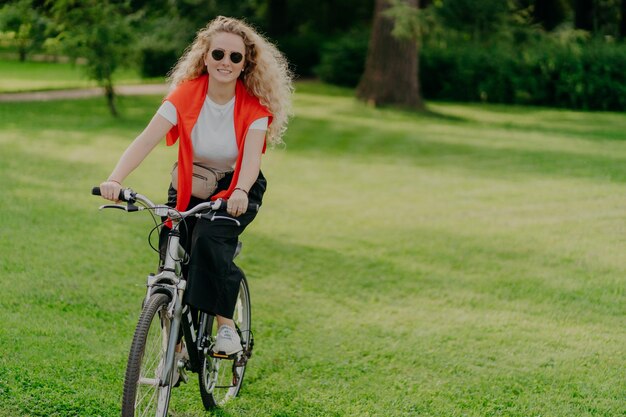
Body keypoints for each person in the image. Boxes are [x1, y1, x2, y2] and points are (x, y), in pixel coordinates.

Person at [99, 16, 293, 355]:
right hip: (192, 184)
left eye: (235, 57)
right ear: (205, 56)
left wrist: (240, 192)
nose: (225, 63)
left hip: (237, 188)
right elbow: (145, 140)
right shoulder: (185, 97)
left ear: (245, 64)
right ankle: (173, 348)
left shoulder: (254, 110)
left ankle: (226, 327)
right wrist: (115, 179)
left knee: (208, 238)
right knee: (170, 246)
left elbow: (250, 162)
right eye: (218, 54)